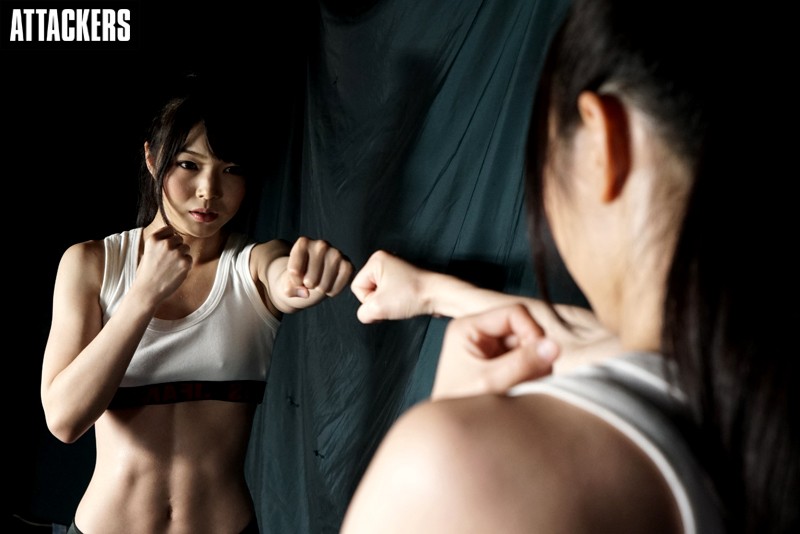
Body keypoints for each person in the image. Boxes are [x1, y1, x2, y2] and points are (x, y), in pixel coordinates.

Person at [341, 0, 798, 533]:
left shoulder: (448, 472)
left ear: (604, 145)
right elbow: (593, 339)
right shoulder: (750, 392)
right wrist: (429, 292)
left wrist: (453, 426)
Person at [40, 75, 353, 534]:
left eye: (231, 169)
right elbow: (65, 421)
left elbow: (283, 274)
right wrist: (143, 296)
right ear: (152, 159)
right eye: (189, 164)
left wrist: (305, 274)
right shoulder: (93, 264)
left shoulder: (251, 266)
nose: (209, 190)